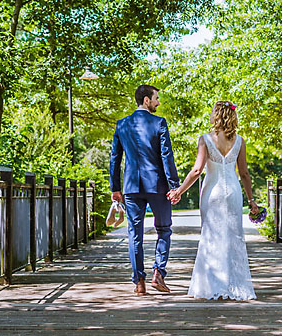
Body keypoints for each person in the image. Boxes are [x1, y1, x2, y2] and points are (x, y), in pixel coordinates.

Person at [168, 101, 259, 301]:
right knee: (234, 236)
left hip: (212, 193)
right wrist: (251, 200)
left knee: (211, 236)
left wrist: (179, 191)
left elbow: (196, 170)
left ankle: (211, 285)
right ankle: (234, 285)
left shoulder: (205, 139)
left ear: (215, 115)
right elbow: (243, 173)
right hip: (233, 192)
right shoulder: (240, 141)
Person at [109, 84, 180, 296]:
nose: (158, 102)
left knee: (135, 234)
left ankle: (139, 282)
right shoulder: (159, 123)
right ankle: (158, 273)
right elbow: (166, 156)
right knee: (164, 229)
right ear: (146, 100)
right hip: (157, 185)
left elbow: (115, 159)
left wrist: (115, 188)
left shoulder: (122, 125)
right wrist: (174, 185)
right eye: (156, 98)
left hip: (131, 187)